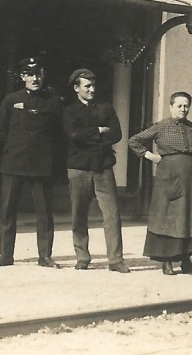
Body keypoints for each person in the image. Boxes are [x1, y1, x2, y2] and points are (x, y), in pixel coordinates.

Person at [0, 56, 64, 268]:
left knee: (44, 211)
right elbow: (1, 131)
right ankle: (5, 255)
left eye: (38, 73)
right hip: (13, 163)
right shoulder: (11, 100)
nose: (35, 78)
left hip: (41, 165)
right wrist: (15, 148)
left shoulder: (53, 101)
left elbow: (59, 134)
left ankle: (45, 256)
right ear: (23, 76)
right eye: (30, 74)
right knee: (7, 209)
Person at [128, 91, 192, 276]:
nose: (183, 109)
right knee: (168, 220)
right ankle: (167, 262)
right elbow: (134, 141)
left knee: (188, 220)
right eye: (179, 106)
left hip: (191, 183)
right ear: (171, 107)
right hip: (168, 180)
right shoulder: (161, 126)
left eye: (186, 106)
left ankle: (186, 261)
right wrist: (150, 156)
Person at [63, 69, 127, 273]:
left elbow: (116, 134)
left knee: (112, 214)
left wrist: (88, 136)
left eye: (93, 85)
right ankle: (82, 257)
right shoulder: (70, 111)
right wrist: (99, 131)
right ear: (76, 88)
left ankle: (116, 260)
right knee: (78, 214)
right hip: (78, 168)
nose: (91, 89)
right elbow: (73, 134)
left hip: (103, 167)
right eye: (86, 86)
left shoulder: (106, 108)